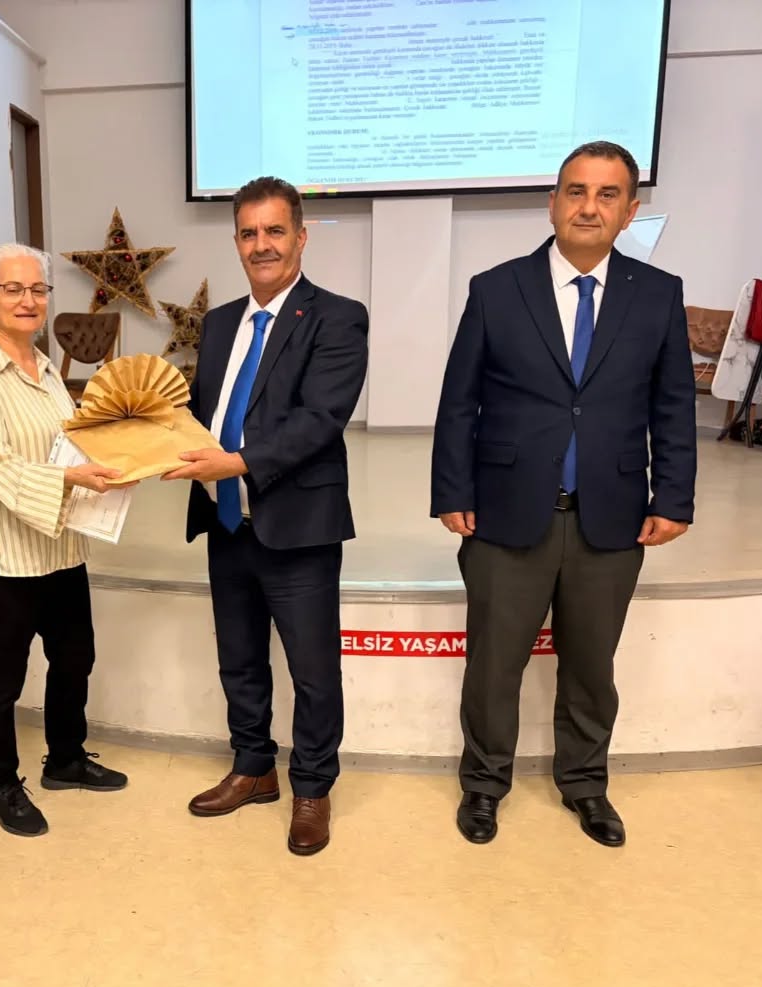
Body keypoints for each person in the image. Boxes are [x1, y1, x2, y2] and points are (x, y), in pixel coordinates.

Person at [430, 140, 697, 848]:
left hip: (612, 518)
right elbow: (459, 401)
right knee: (494, 664)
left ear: (629, 211)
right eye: (576, 191)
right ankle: (484, 784)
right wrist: (451, 489)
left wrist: (674, 498)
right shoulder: (496, 289)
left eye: (607, 195)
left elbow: (673, 405)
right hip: (504, 513)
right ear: (552, 203)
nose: (589, 207)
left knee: (591, 666)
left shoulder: (658, 294)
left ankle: (585, 784)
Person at [165, 176, 369, 856]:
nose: (262, 245)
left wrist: (237, 462)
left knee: (313, 671)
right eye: (249, 233)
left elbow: (319, 420)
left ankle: (312, 787)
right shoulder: (221, 322)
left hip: (298, 524)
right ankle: (253, 767)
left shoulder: (338, 318)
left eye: (275, 231)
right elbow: (204, 410)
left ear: (301, 237)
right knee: (240, 659)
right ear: (236, 242)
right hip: (227, 523)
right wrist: (148, 433)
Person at [0, 243, 128, 838]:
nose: (28, 300)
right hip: (9, 552)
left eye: (38, 290)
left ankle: (66, 759)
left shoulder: (49, 372)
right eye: (13, 289)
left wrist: (121, 454)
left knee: (76, 657)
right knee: (4, 676)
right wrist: (72, 478)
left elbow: (68, 445)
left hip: (61, 544)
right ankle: (0, 785)